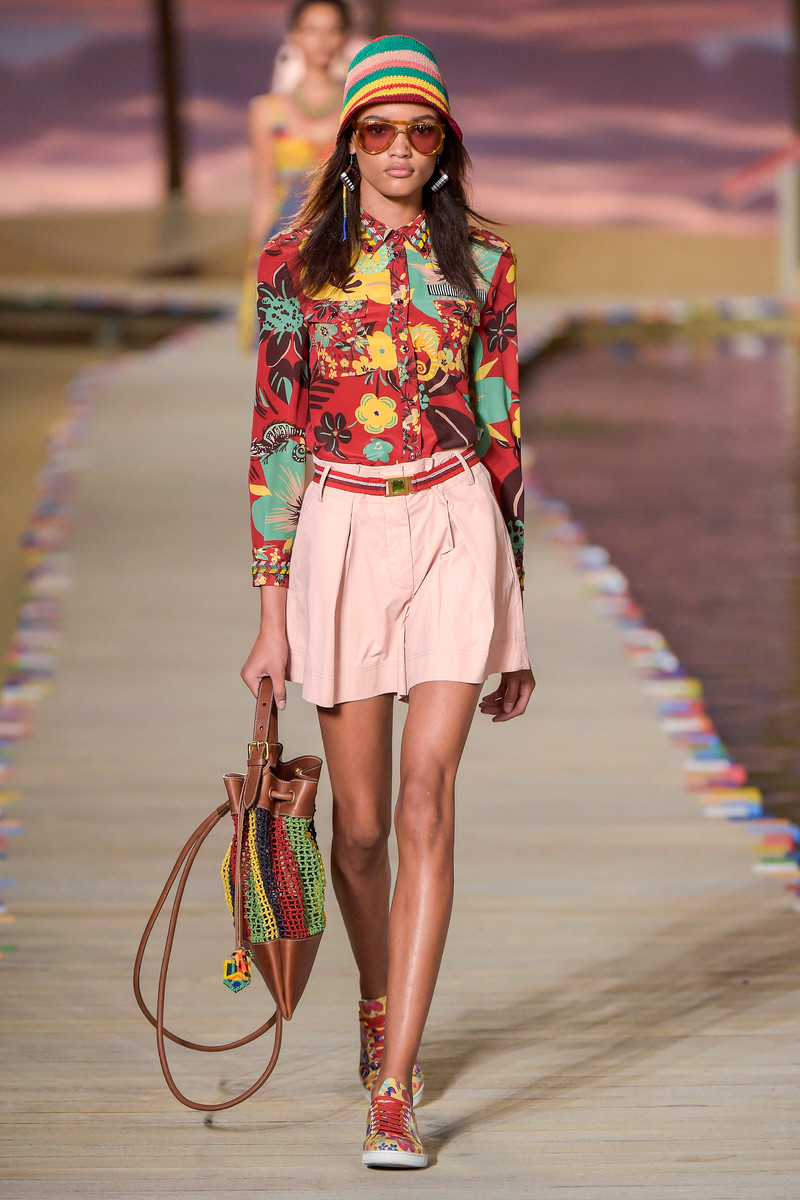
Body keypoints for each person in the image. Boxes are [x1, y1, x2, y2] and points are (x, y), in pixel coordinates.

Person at [241, 34, 535, 1169]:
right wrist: (270, 612)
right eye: (379, 129)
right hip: (341, 529)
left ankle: (396, 1088)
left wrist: (515, 610)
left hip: (456, 521)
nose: (400, 148)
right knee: (358, 830)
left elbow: (502, 426)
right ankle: (376, 1000)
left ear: (444, 145)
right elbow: (274, 435)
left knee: (423, 801)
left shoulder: (486, 261)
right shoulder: (290, 263)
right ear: (349, 142)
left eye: (420, 131)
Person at [237, 0, 352, 350]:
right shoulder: (266, 111)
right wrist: (255, 261)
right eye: (312, 29)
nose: (322, 40)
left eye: (332, 30)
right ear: (294, 36)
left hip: (342, 234)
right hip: (285, 234)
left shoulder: (356, 108)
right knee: (284, 350)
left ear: (344, 37)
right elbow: (264, 192)